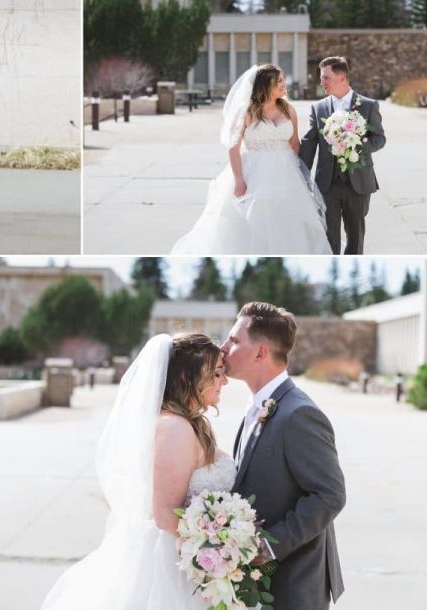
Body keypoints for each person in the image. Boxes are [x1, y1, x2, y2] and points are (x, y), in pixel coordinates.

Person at [41, 333, 234, 609]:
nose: (223, 380)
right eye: (215, 373)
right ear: (185, 378)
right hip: (172, 570)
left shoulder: (185, 422)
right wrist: (224, 544)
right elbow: (166, 515)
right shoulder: (175, 427)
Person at [222, 302, 346, 609]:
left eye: (234, 340)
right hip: (261, 585)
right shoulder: (260, 405)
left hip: (294, 584)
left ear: (261, 353)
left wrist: (266, 546)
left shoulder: (299, 414)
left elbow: (330, 495)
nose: (223, 347)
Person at [171, 64, 331, 255]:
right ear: (265, 85)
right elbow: (233, 147)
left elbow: (295, 143)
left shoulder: (289, 109)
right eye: (278, 81)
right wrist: (239, 179)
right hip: (253, 171)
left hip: (286, 172)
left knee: (285, 219)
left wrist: (301, 176)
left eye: (282, 80)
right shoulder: (246, 112)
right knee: (252, 219)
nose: (283, 85)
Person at [299, 56, 386, 254]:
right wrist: (300, 176)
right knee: (329, 240)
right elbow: (309, 143)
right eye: (322, 78)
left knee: (355, 240)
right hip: (327, 184)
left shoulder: (368, 105)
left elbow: (379, 138)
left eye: (326, 78)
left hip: (359, 183)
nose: (322, 82)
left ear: (342, 77)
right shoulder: (318, 108)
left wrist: (358, 145)